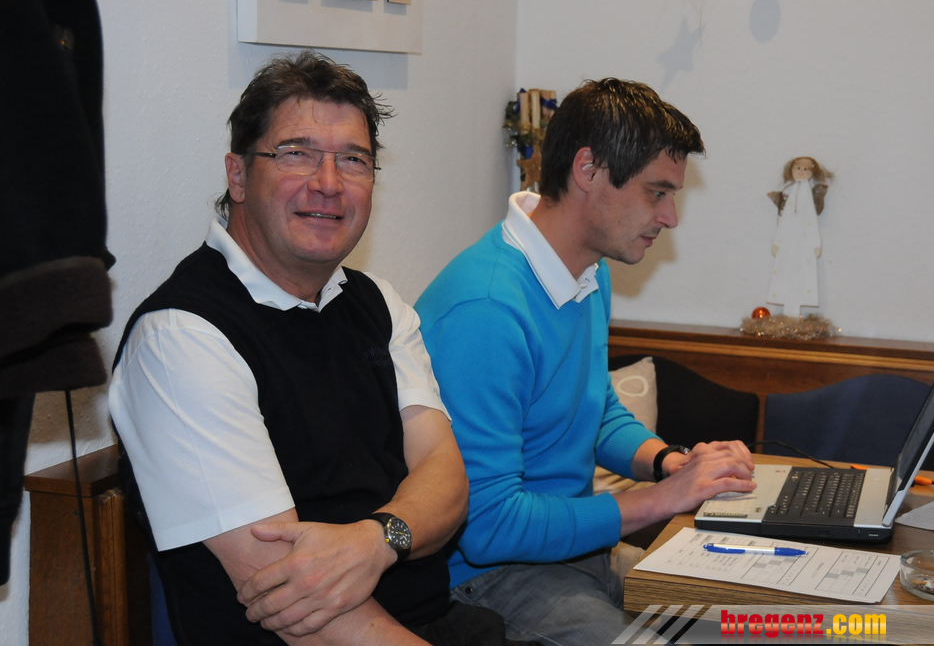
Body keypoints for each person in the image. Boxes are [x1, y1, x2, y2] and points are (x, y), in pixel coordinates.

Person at [109, 51, 532, 646]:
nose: (328, 184)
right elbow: (294, 603)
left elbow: (446, 480)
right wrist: (399, 533)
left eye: (352, 160)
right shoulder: (181, 338)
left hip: (440, 621)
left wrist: (377, 541)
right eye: (295, 153)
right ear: (237, 175)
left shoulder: (377, 304)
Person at [414, 78, 756, 646]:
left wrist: (670, 464)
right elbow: (487, 526)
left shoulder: (588, 272)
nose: (670, 217)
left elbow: (593, 408)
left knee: (770, 618)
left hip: (576, 552)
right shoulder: (487, 310)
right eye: (657, 192)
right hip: (487, 579)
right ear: (588, 170)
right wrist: (659, 501)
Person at [766, 156, 832, 317]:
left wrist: (816, 244)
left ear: (812, 173)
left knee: (802, 272)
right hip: (788, 243)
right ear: (792, 171)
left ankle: (793, 314)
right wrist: (778, 242)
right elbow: (784, 220)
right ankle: (788, 314)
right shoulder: (791, 192)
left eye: (805, 169)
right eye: (798, 168)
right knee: (785, 270)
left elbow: (811, 220)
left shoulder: (807, 195)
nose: (801, 172)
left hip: (804, 243)